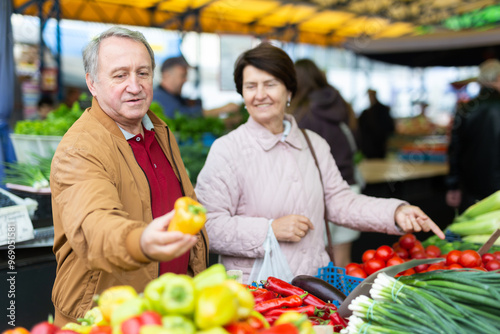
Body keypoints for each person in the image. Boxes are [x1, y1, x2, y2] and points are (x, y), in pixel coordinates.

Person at [194, 43, 444, 283]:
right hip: (256, 293)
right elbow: (208, 226)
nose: (260, 95)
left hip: (312, 287)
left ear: (289, 91)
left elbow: (340, 202)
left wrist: (395, 212)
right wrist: (269, 230)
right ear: (242, 93)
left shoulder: (313, 144)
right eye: (251, 86)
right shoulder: (227, 149)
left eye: (270, 84)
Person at [50, 27, 208, 326]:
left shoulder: (159, 131)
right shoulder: (80, 148)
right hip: (107, 319)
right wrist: (142, 242)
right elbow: (94, 226)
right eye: (120, 75)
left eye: (143, 73)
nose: (135, 86)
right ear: (92, 84)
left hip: (171, 311)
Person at [288, 58, 361, 267]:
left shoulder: (301, 113)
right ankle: (344, 299)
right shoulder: (341, 103)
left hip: (319, 192)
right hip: (349, 187)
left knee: (315, 262)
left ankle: (324, 301)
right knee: (342, 259)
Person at [446, 59, 500, 212]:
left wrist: (453, 185)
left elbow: (454, 149)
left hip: (471, 188)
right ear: (498, 78)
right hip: (498, 191)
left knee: (473, 232)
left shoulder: (465, 108)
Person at [153, 55, 240, 119]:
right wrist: (222, 109)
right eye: (182, 76)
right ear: (167, 75)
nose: (186, 80)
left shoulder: (175, 97)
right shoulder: (158, 97)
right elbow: (184, 116)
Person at [358, 89, 395, 159]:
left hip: (379, 146)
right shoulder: (366, 113)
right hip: (369, 147)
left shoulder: (382, 110)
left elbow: (390, 127)